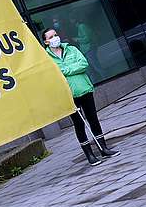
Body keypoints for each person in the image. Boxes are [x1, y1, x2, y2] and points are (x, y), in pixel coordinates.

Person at [43, 28, 119, 166]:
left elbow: (83, 64)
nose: (56, 37)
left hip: (84, 89)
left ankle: (104, 148)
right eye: (52, 36)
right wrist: (72, 69)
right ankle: (89, 154)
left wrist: (66, 70)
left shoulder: (71, 49)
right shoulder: (47, 59)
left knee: (93, 119)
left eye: (56, 34)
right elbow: (53, 75)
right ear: (46, 41)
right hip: (69, 96)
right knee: (79, 124)